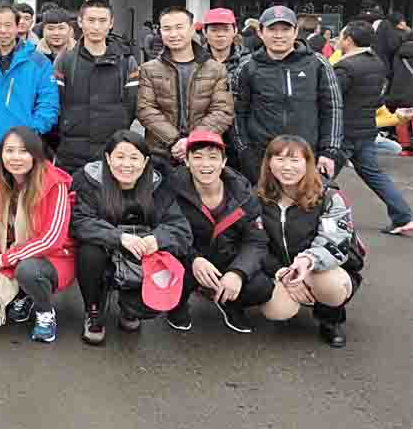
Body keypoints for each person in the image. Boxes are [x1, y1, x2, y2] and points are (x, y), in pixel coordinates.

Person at [71, 130, 192, 345]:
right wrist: (119, 237)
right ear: (108, 158)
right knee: (89, 252)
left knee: (174, 254)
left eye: (134, 158)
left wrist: (157, 239)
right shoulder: (90, 182)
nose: (127, 164)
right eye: (120, 156)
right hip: (107, 251)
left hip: (142, 254)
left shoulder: (159, 185)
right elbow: (81, 222)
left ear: (145, 162)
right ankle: (93, 310)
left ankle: (130, 308)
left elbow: (180, 229)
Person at [256, 136, 363, 348]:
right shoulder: (256, 196)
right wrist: (281, 272)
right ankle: (293, 295)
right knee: (277, 311)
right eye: (280, 159)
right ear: (268, 163)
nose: (287, 167)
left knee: (332, 286)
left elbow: (335, 241)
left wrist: (308, 261)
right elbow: (254, 243)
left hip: (319, 268)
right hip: (281, 269)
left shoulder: (329, 196)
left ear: (308, 163)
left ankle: (330, 319)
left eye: (295, 160)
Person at [0, 126, 75, 343]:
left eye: (23, 151)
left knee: (28, 271)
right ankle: (26, 294)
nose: (15, 158)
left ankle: (45, 312)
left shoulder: (54, 183)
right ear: (1, 154)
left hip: (53, 258)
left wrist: (6, 259)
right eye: (9, 150)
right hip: (9, 251)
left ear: (36, 154)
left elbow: (52, 239)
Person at [165, 130, 274, 334]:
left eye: (213, 157)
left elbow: (256, 240)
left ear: (224, 162)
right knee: (170, 271)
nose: (205, 164)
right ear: (186, 161)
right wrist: (193, 259)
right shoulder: (171, 187)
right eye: (197, 157)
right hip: (188, 257)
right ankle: (176, 305)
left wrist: (237, 272)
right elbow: (166, 231)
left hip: (226, 257)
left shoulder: (242, 192)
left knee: (262, 288)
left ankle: (230, 302)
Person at [230, 5, 342, 185]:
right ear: (260, 32)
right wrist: (245, 151)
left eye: (285, 29)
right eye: (272, 29)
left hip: (306, 155)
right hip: (262, 157)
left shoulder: (317, 63)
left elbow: (332, 108)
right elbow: (237, 112)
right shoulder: (247, 66)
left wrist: (329, 151)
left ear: (296, 31)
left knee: (306, 201)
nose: (279, 35)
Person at [333, 22, 413, 235]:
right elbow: (378, 100)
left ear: (349, 39)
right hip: (366, 129)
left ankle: (306, 219)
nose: (338, 40)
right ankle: (403, 216)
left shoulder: (345, 67)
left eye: (341, 36)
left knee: (320, 177)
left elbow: (331, 99)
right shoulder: (377, 63)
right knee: (374, 175)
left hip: (342, 132)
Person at [137, 6, 233, 170]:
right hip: (160, 153)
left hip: (203, 152)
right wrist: (174, 140)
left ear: (192, 29)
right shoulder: (149, 69)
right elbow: (145, 109)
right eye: (167, 29)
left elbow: (222, 111)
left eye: (179, 27)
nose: (173, 34)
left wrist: (193, 140)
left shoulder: (216, 69)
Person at [52, 0, 139, 174]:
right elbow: (56, 103)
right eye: (91, 20)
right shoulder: (65, 61)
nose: (96, 27)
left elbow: (131, 106)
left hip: (112, 150)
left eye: (102, 21)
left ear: (111, 23)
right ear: (80, 22)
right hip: (70, 152)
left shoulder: (126, 62)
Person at [0, 6, 59, 155]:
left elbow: (48, 103)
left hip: (22, 146)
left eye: (8, 25)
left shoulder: (39, 62)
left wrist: (32, 130)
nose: (3, 31)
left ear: (17, 26)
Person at [203, 8, 246, 80]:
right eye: (214, 30)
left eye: (226, 30)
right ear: (204, 32)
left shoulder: (247, 62)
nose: (220, 34)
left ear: (235, 31)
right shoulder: (194, 60)